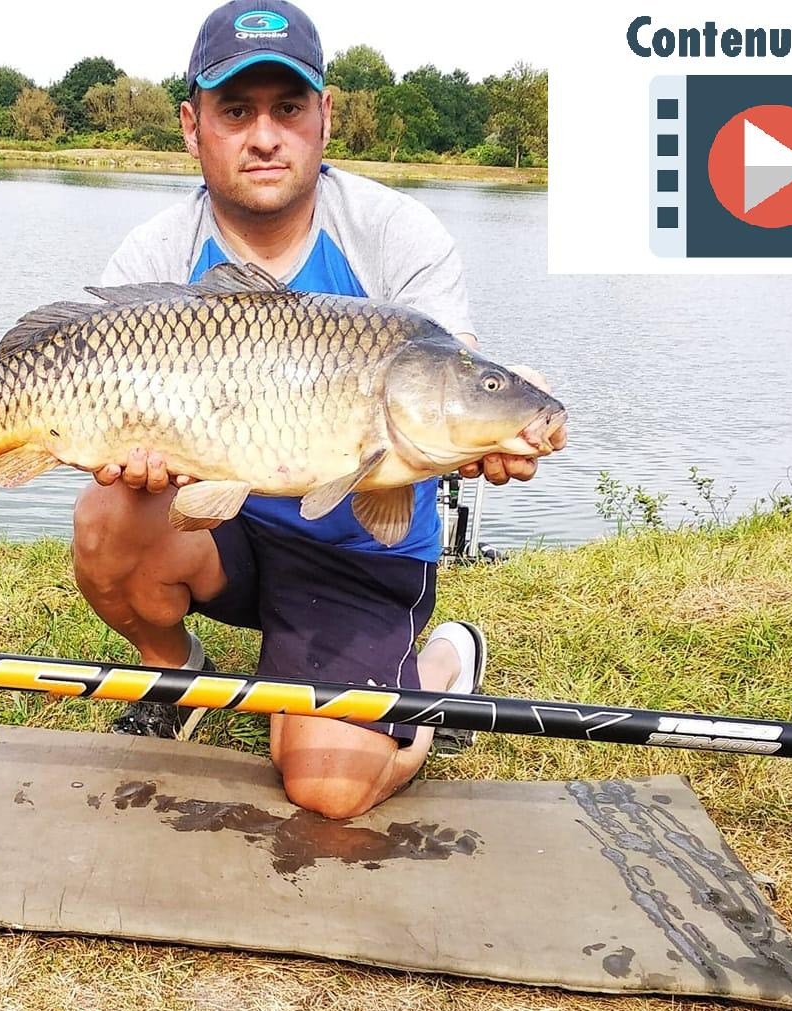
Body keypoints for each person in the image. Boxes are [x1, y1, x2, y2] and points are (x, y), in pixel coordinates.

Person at [71, 0, 565, 820]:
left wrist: (511, 404)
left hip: (355, 552)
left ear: (324, 119)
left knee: (329, 789)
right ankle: (180, 673)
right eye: (236, 111)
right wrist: (128, 457)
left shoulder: (396, 234)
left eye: (287, 109)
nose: (264, 135)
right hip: (223, 529)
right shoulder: (157, 252)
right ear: (193, 128)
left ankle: (441, 664)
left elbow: (456, 369)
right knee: (104, 515)